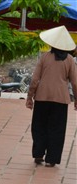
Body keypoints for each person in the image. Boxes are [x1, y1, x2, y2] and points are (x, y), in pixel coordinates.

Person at [26, 25, 77, 168]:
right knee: (57, 129)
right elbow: (75, 82)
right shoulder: (69, 60)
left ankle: (38, 154)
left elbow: (35, 79)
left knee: (39, 126)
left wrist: (30, 97)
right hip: (61, 99)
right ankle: (52, 159)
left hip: (42, 97)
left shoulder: (45, 57)